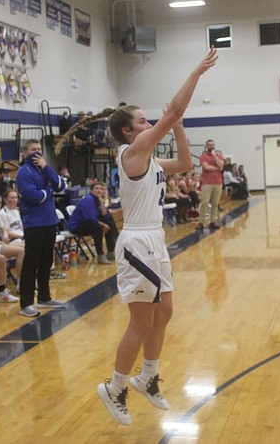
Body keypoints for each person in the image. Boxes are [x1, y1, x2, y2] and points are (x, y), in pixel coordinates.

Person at [57, 48, 217, 425]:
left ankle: (147, 376)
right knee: (141, 322)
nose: (150, 124)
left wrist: (177, 126)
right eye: (145, 121)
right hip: (137, 243)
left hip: (155, 241)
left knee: (165, 312)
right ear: (128, 131)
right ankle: (115, 387)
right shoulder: (131, 153)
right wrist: (195, 72)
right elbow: (174, 110)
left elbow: (185, 164)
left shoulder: (149, 159)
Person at [15, 139, 66, 317]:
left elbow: (61, 185)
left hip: (50, 221)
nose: (37, 153)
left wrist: (46, 168)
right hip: (34, 224)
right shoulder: (23, 172)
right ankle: (26, 303)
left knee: (46, 262)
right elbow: (34, 196)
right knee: (31, 264)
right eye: (32, 150)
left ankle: (44, 297)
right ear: (24, 153)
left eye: (39, 149)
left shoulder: (43, 168)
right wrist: (49, 192)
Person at [68, 182, 119, 264]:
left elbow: (105, 216)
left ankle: (111, 251)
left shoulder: (98, 200)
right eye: (97, 188)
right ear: (91, 190)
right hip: (77, 226)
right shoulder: (88, 200)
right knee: (97, 227)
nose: (99, 190)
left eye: (101, 189)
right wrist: (102, 225)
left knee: (109, 221)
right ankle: (100, 255)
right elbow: (90, 219)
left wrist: (102, 203)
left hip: (88, 224)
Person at [198, 138, 224, 230]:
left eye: (212, 145)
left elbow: (221, 166)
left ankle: (213, 221)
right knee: (204, 203)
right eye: (209, 145)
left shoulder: (219, 155)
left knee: (215, 203)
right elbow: (206, 167)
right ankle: (201, 222)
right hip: (207, 183)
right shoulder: (203, 156)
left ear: (214, 145)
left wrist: (215, 157)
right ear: (206, 146)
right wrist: (217, 168)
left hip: (218, 183)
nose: (211, 146)